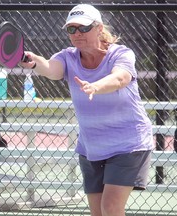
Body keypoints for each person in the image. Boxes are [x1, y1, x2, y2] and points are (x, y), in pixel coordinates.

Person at [20, 4, 154, 216]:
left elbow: (121, 78)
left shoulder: (121, 54)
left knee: (110, 207)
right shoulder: (68, 56)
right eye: (71, 29)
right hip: (91, 147)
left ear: (99, 28)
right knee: (97, 213)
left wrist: (96, 87)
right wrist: (35, 62)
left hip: (128, 144)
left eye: (83, 28)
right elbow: (52, 69)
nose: (77, 34)